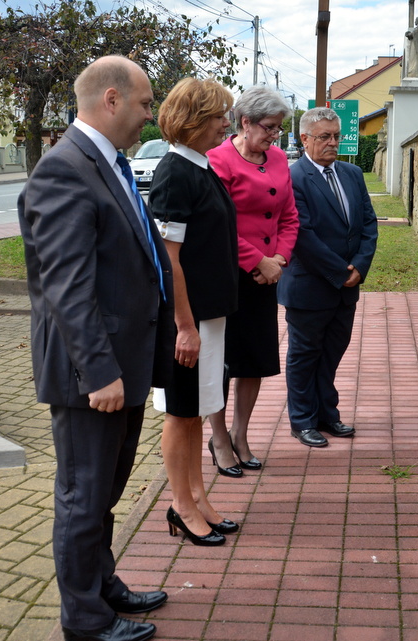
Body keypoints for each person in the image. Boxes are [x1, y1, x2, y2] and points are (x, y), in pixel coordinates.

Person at [18, 56, 174, 641]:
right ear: (111, 99)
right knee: (84, 498)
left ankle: (103, 586)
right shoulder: (64, 169)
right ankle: (84, 619)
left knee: (105, 490)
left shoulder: (106, 163)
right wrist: (101, 371)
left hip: (120, 367)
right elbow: (67, 286)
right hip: (95, 374)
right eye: (144, 103)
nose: (149, 116)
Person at [148, 78, 240, 545]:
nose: (227, 122)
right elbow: (169, 259)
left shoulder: (200, 167)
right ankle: (181, 506)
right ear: (193, 120)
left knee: (198, 412)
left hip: (208, 317)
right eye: (219, 115)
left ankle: (199, 496)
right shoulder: (174, 172)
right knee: (181, 414)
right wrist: (184, 327)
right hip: (190, 321)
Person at [206, 86, 299, 476]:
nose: (275, 135)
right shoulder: (218, 160)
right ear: (245, 122)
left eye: (278, 128)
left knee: (254, 362)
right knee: (222, 364)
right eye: (269, 127)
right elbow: (217, 225)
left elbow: (290, 218)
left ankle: (241, 434)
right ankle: (219, 438)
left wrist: (278, 259)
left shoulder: (278, 159)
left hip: (266, 278)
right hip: (229, 276)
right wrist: (258, 260)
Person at [277, 107, 378, 448]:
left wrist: (359, 268)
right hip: (309, 286)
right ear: (304, 139)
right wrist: (340, 272)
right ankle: (302, 421)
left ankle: (326, 415)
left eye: (336, 136)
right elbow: (302, 234)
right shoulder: (293, 178)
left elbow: (368, 224)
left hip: (346, 288)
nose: (333, 143)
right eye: (324, 137)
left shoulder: (352, 173)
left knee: (332, 352)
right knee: (305, 355)